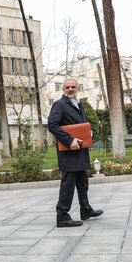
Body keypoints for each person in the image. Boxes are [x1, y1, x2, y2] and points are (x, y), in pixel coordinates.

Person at [48, 78, 103, 227]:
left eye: (73, 87)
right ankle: (62, 216)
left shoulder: (79, 104)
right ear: (63, 90)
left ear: (78, 88)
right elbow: (52, 125)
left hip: (80, 150)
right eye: (67, 87)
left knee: (82, 182)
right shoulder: (60, 104)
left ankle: (85, 210)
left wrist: (88, 132)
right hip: (69, 151)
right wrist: (69, 140)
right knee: (68, 185)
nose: (70, 89)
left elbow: (78, 124)